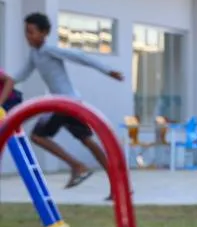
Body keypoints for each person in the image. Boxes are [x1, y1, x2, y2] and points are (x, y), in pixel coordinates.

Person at [0, 12, 125, 197]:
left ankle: (77, 166)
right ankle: (118, 185)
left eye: (32, 32)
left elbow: (80, 56)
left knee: (37, 136)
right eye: (26, 32)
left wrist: (107, 70)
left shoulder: (49, 49)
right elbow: (18, 77)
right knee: (87, 141)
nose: (28, 36)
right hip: (70, 102)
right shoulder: (34, 55)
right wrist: (3, 91)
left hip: (64, 103)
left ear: (44, 33)